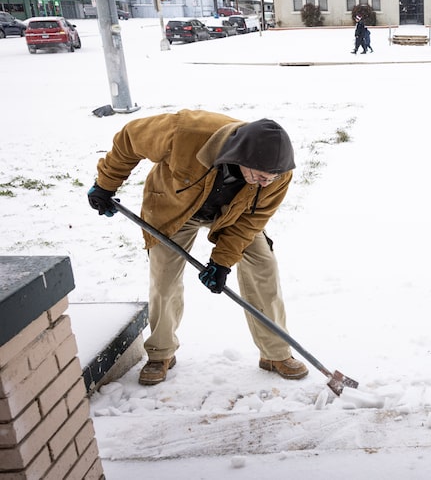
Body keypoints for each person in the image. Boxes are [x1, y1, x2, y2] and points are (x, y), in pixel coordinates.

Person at [87, 109, 309, 385]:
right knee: (164, 276)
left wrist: (221, 262)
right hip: (174, 209)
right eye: (261, 176)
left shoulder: (278, 174)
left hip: (233, 216)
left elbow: (251, 220)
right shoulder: (185, 133)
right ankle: (161, 353)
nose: (266, 182)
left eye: (271, 178)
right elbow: (130, 139)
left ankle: (275, 353)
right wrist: (106, 185)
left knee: (264, 267)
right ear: (241, 156)